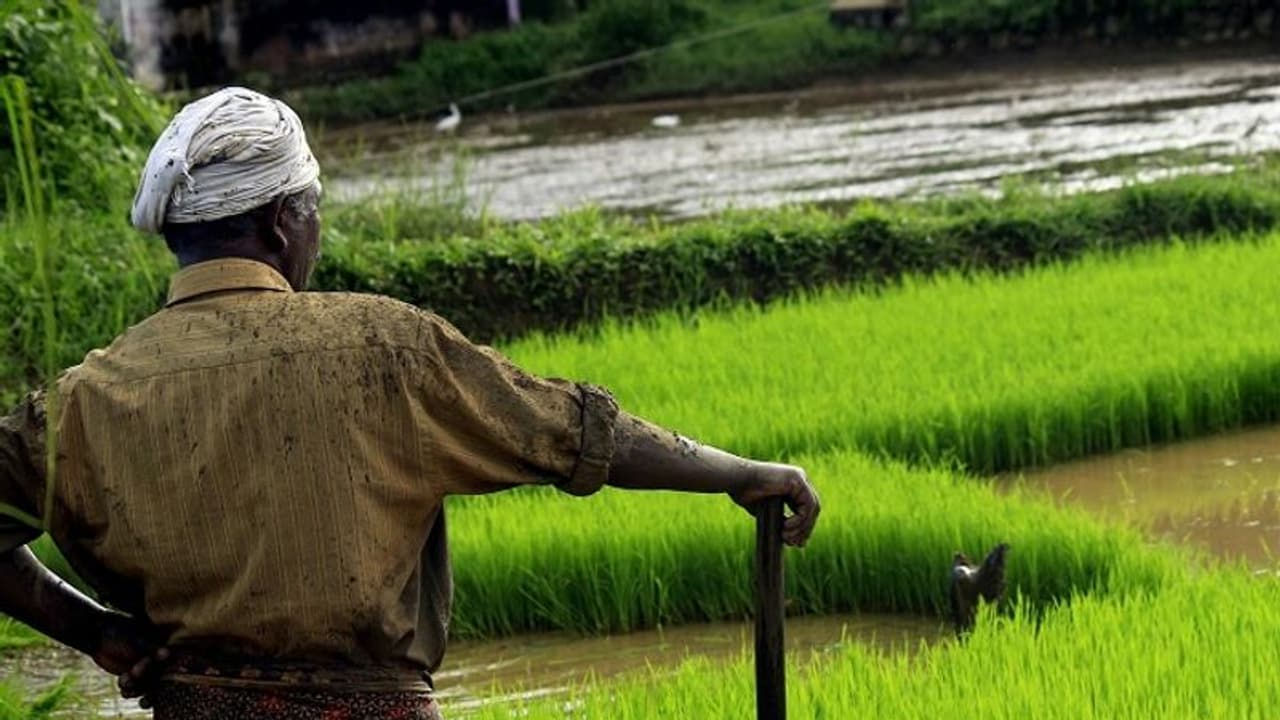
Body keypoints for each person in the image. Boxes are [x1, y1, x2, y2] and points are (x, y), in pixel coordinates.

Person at [0, 87, 820, 719]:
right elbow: (571, 431)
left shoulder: (84, 399)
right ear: (286, 222)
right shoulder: (383, 347)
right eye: (312, 209)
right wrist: (740, 473)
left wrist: (96, 633)